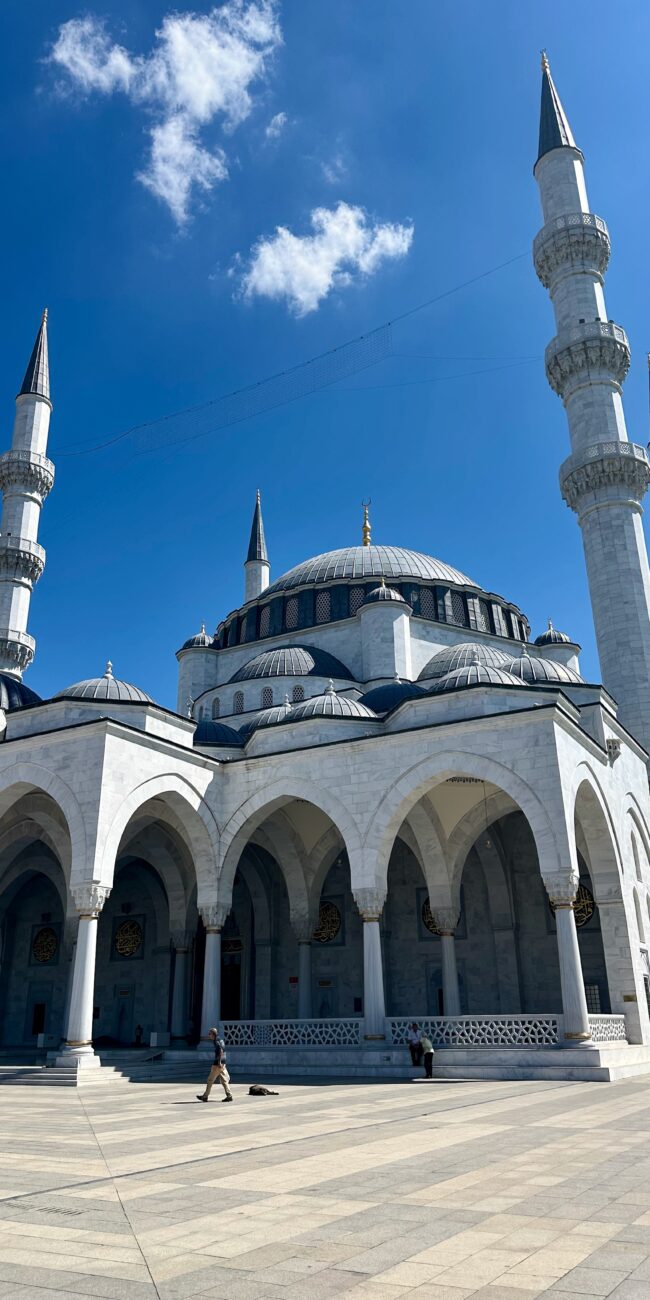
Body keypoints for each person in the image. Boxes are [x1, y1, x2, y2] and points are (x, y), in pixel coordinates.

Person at [197, 1027, 233, 1103]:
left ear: (213, 1034)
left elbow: (220, 1050)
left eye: (209, 1034)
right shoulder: (221, 1039)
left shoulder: (216, 1040)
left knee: (210, 1080)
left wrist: (219, 1062)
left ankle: (205, 1096)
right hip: (223, 1062)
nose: (209, 1035)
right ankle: (229, 1095)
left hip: (217, 1064)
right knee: (224, 1080)